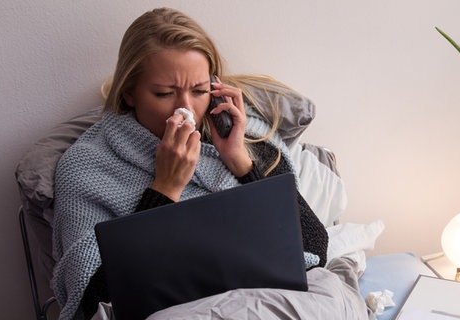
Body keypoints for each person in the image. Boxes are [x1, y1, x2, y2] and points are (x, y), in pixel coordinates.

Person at [52, 7, 329, 319]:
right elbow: (94, 301)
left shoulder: (244, 140)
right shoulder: (86, 167)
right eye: (164, 93)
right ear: (129, 91)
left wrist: (240, 161)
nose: (186, 109)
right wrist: (165, 189)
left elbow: (315, 246)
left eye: (199, 91)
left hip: (265, 301)